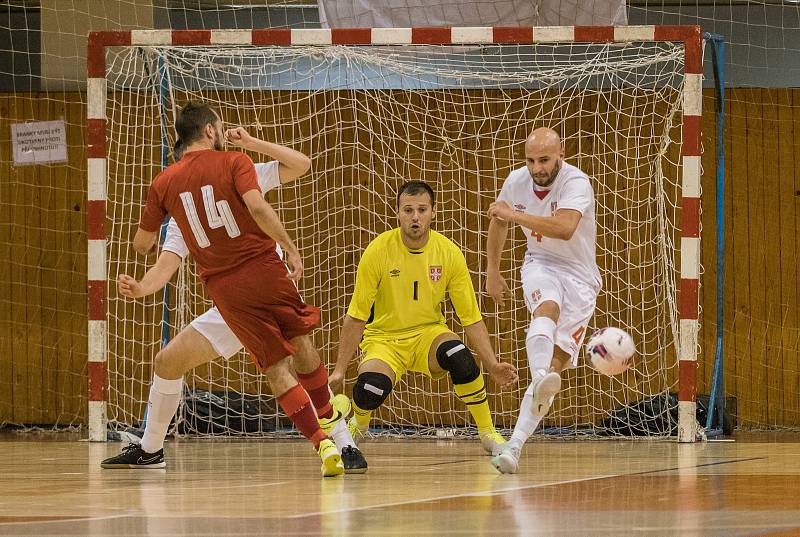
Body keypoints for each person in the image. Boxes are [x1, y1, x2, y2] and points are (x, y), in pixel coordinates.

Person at [102, 101, 345, 477]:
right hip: (249, 290)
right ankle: (151, 450)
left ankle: (340, 439)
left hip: (230, 292)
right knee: (168, 362)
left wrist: (138, 287)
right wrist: (144, 287)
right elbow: (165, 266)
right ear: (210, 131)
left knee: (290, 356)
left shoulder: (183, 188)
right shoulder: (227, 170)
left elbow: (146, 249)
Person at [329, 180, 518, 457]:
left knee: (459, 355)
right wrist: (339, 370)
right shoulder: (378, 250)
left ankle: (488, 433)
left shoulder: (448, 252)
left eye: (421, 209)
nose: (415, 217)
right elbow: (356, 317)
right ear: (397, 213)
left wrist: (491, 363)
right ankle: (360, 422)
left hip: (428, 335)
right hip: (384, 341)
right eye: (408, 210)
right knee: (370, 388)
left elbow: (471, 318)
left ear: (433, 212)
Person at [485, 127, 600, 474]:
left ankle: (515, 444)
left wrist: (513, 214)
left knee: (555, 368)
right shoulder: (516, 181)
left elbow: (564, 227)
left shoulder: (575, 182)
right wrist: (492, 270)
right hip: (541, 263)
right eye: (531, 160)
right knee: (545, 308)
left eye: (544, 160)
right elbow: (499, 224)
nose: (537, 168)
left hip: (580, 278)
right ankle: (537, 380)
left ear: (560, 153)